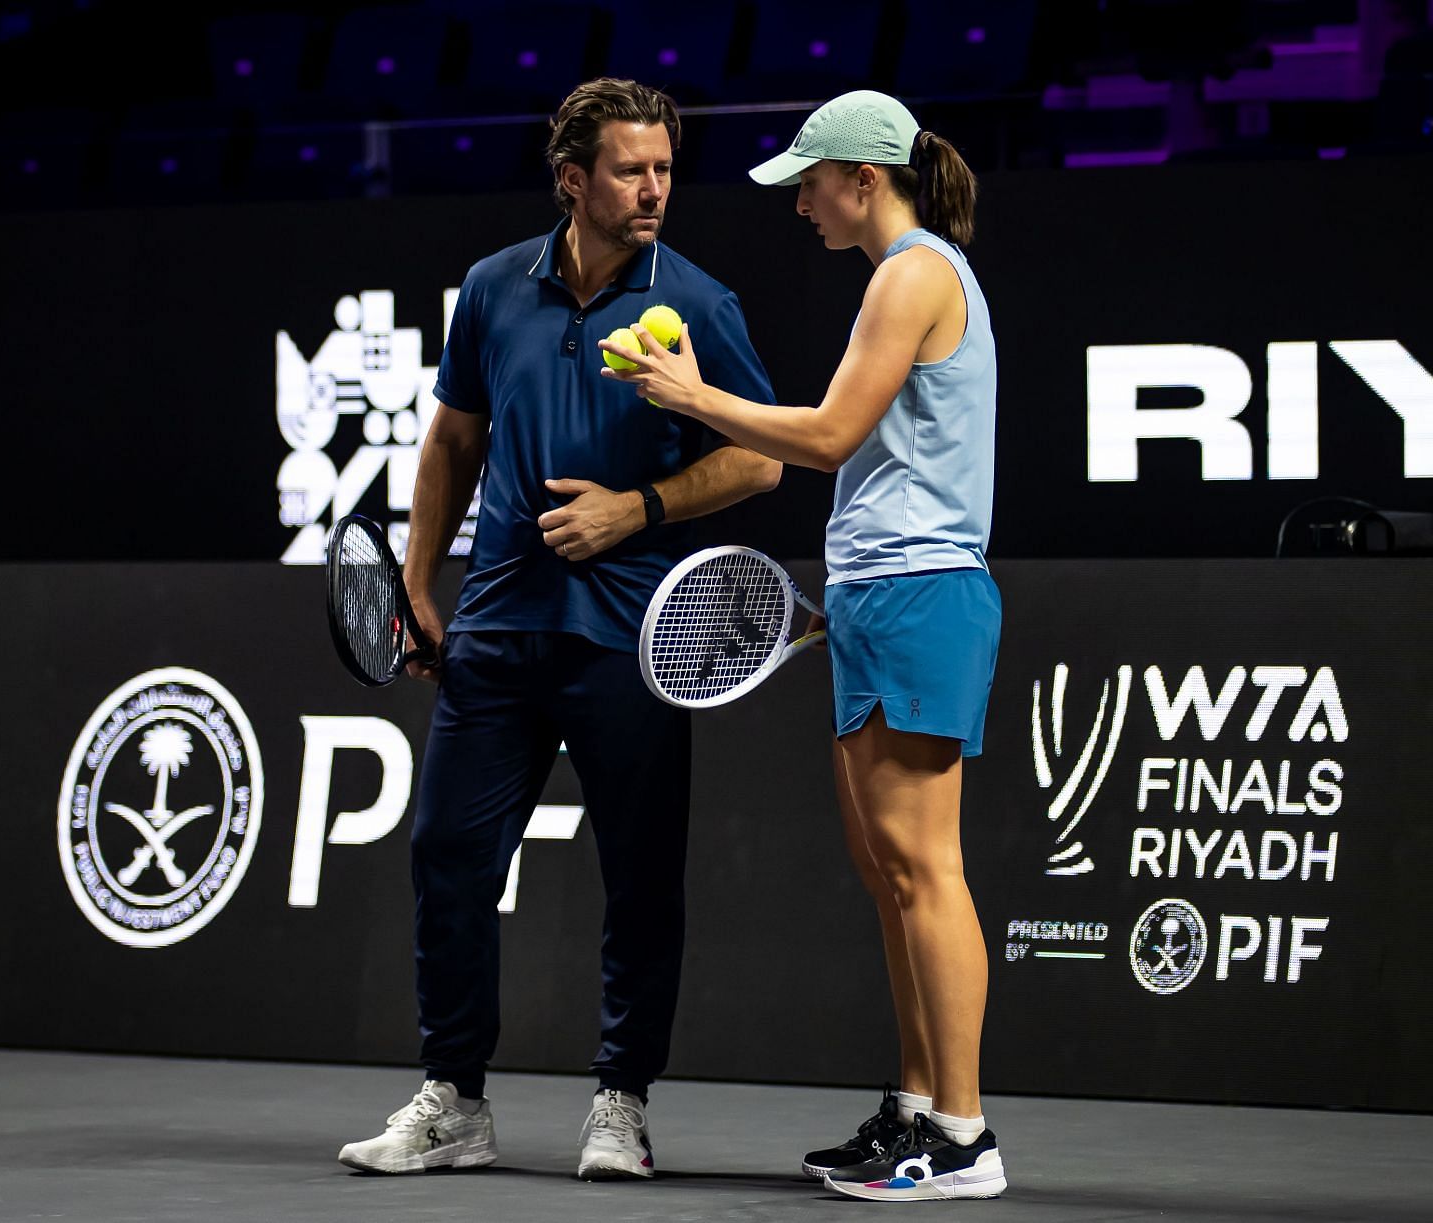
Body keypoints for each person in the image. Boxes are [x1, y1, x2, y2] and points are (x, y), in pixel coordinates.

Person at [336, 78, 780, 1182]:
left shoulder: (701, 302)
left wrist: (638, 509)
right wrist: (420, 582)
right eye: (631, 170)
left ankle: (621, 1101)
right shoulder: (492, 290)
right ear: (573, 179)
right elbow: (449, 443)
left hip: (632, 638)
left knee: (639, 879)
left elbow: (762, 456)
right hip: (495, 629)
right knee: (446, 855)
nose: (654, 190)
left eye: (666, 169)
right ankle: (455, 1101)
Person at [599, 90, 1004, 1203]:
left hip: (924, 593)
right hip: (878, 593)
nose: (801, 204)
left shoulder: (914, 272)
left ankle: (965, 1134)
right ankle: (919, 1107)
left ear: (864, 179)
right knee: (888, 876)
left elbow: (827, 437)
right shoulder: (903, 276)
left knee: (927, 869)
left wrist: (690, 394)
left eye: (810, 183)